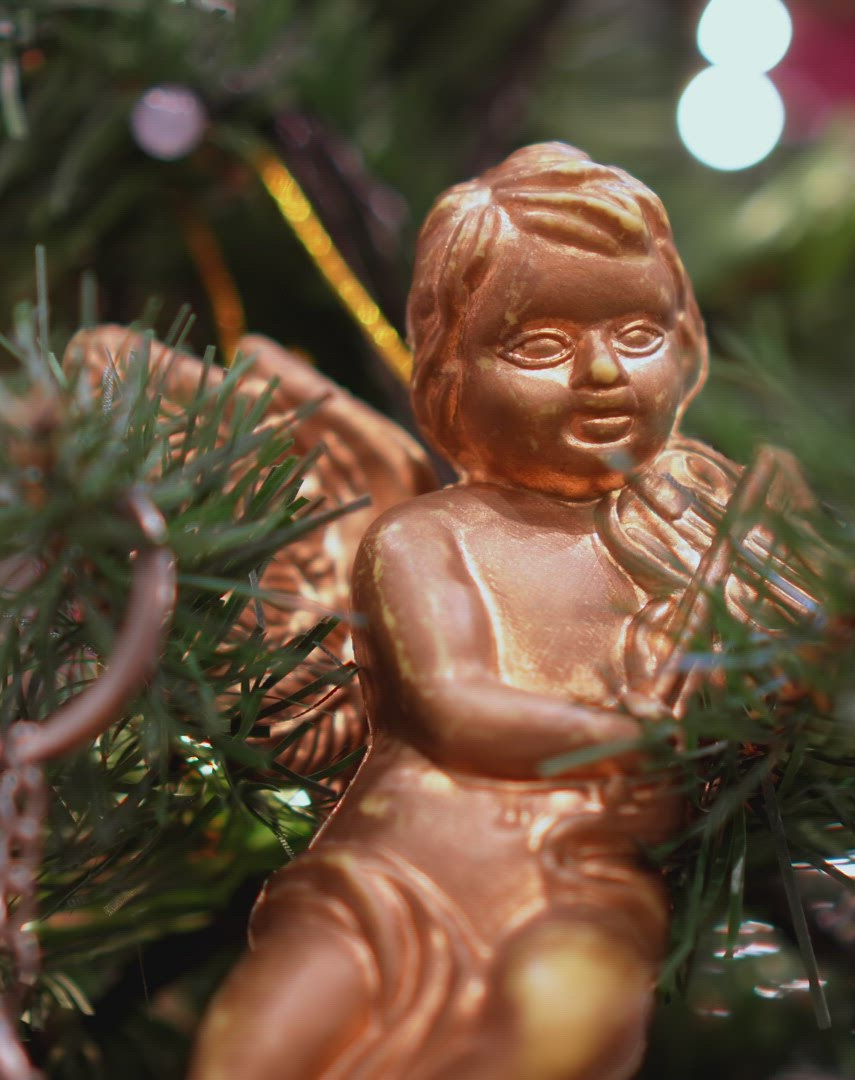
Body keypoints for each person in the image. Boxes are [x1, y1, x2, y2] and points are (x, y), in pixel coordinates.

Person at [191, 142, 746, 1080]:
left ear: (686, 344)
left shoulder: (692, 540)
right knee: (258, 1039)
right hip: (398, 870)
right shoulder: (424, 535)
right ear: (450, 373)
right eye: (541, 346)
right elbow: (452, 706)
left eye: (639, 334)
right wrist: (639, 739)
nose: (602, 371)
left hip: (585, 882)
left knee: (564, 1019)